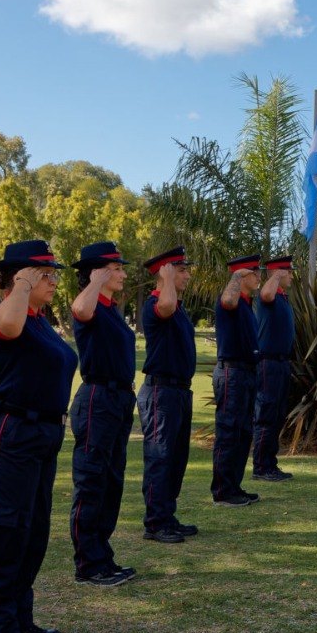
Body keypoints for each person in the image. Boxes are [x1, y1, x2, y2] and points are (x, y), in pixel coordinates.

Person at [0, 240, 77, 633]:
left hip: (40, 435)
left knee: (31, 535)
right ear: (22, 277)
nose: (53, 281)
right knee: (5, 533)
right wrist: (19, 287)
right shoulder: (5, 316)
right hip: (9, 434)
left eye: (54, 274)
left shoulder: (39, 320)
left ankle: (20, 622)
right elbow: (7, 329)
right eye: (45, 274)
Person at [67, 241, 137, 588]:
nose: (123, 274)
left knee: (111, 482)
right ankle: (88, 563)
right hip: (98, 398)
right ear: (101, 271)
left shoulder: (110, 308)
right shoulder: (92, 303)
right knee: (93, 481)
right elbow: (78, 309)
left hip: (118, 400)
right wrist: (95, 279)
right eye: (117, 268)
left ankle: (101, 556)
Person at [139, 246, 198, 543]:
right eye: (182, 269)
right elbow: (165, 308)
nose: (188, 275)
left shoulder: (177, 304)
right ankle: (155, 521)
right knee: (160, 457)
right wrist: (165, 282)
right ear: (166, 271)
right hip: (161, 391)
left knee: (176, 458)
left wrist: (170, 281)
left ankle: (167, 514)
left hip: (178, 391)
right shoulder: (156, 304)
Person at [211, 255, 262, 508]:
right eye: (254, 272)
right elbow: (228, 299)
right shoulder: (229, 301)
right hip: (231, 373)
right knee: (229, 431)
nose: (259, 277)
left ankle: (234, 485)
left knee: (243, 432)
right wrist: (236, 276)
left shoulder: (246, 304)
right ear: (242, 274)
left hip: (246, 373)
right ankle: (222, 490)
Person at [251, 255, 296, 482]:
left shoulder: (282, 298)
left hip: (281, 363)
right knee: (266, 415)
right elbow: (265, 293)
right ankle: (260, 466)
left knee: (277, 415)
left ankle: (270, 463)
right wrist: (276, 275)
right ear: (278, 273)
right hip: (268, 362)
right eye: (287, 272)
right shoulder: (268, 295)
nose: (291, 276)